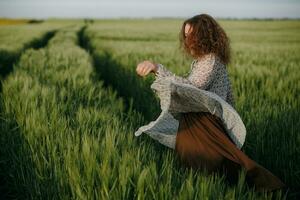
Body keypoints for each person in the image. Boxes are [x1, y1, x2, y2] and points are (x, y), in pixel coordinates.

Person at [135, 14, 286, 192]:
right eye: (185, 35)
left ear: (203, 37)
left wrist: (157, 67)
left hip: (205, 125)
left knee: (223, 168)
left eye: (191, 35)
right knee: (211, 169)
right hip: (200, 123)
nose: (187, 40)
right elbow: (218, 95)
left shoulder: (211, 60)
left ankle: (273, 189)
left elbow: (192, 87)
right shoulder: (203, 61)